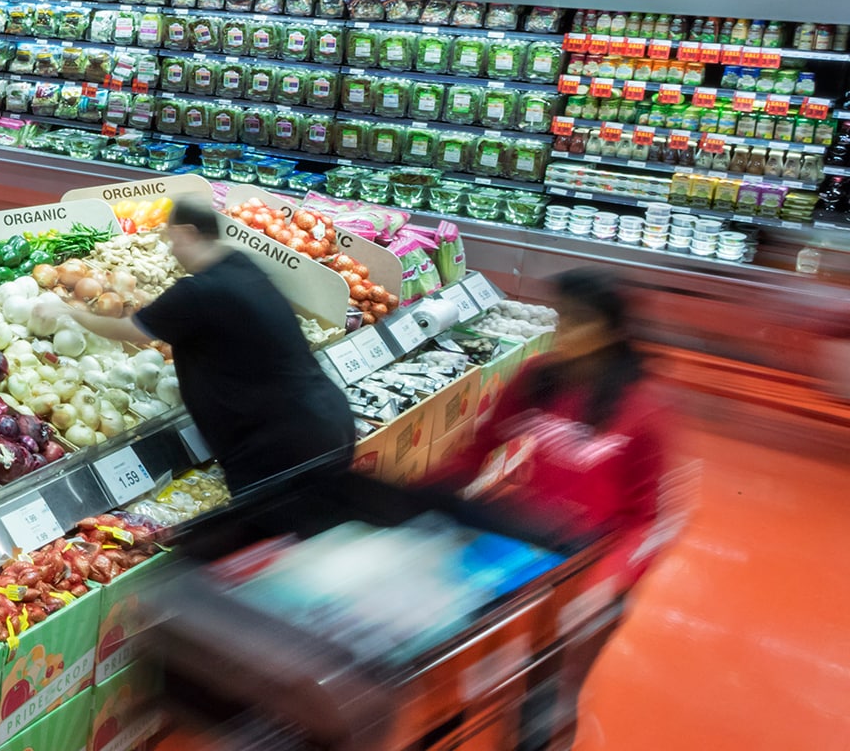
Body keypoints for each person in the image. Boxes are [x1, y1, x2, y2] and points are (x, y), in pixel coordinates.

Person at [425, 268, 674, 750]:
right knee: (458, 682)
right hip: (522, 555)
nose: (561, 333)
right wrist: (422, 500)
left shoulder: (644, 410)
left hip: (589, 577)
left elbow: (648, 519)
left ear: (611, 330)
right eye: (561, 319)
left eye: (576, 322)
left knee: (545, 699)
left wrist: (606, 584)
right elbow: (476, 453)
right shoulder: (536, 379)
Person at [40, 199, 353, 491]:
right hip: (323, 419)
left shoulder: (197, 292)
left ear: (188, 233)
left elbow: (129, 331)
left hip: (280, 445)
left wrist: (69, 312)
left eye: (173, 240)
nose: (172, 250)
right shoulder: (238, 264)